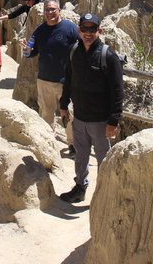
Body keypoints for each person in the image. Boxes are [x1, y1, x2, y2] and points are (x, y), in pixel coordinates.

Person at [58, 13, 124, 203]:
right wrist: (63, 106)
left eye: (92, 29)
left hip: (101, 121)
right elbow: (68, 80)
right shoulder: (73, 51)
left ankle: (106, 194)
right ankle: (80, 187)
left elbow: (118, 90)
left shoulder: (108, 55)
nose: (88, 33)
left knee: (103, 158)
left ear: (99, 31)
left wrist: (113, 121)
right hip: (79, 118)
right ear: (79, 31)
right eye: (84, 29)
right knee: (80, 155)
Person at [22, 0, 79, 154]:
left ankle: (72, 144)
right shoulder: (40, 30)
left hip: (66, 81)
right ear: (44, 12)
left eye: (53, 9)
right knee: (46, 113)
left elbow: (83, 46)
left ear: (59, 10)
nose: (50, 12)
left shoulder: (70, 28)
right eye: (47, 10)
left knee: (70, 113)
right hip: (45, 79)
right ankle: (48, 143)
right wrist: (26, 51)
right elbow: (32, 52)